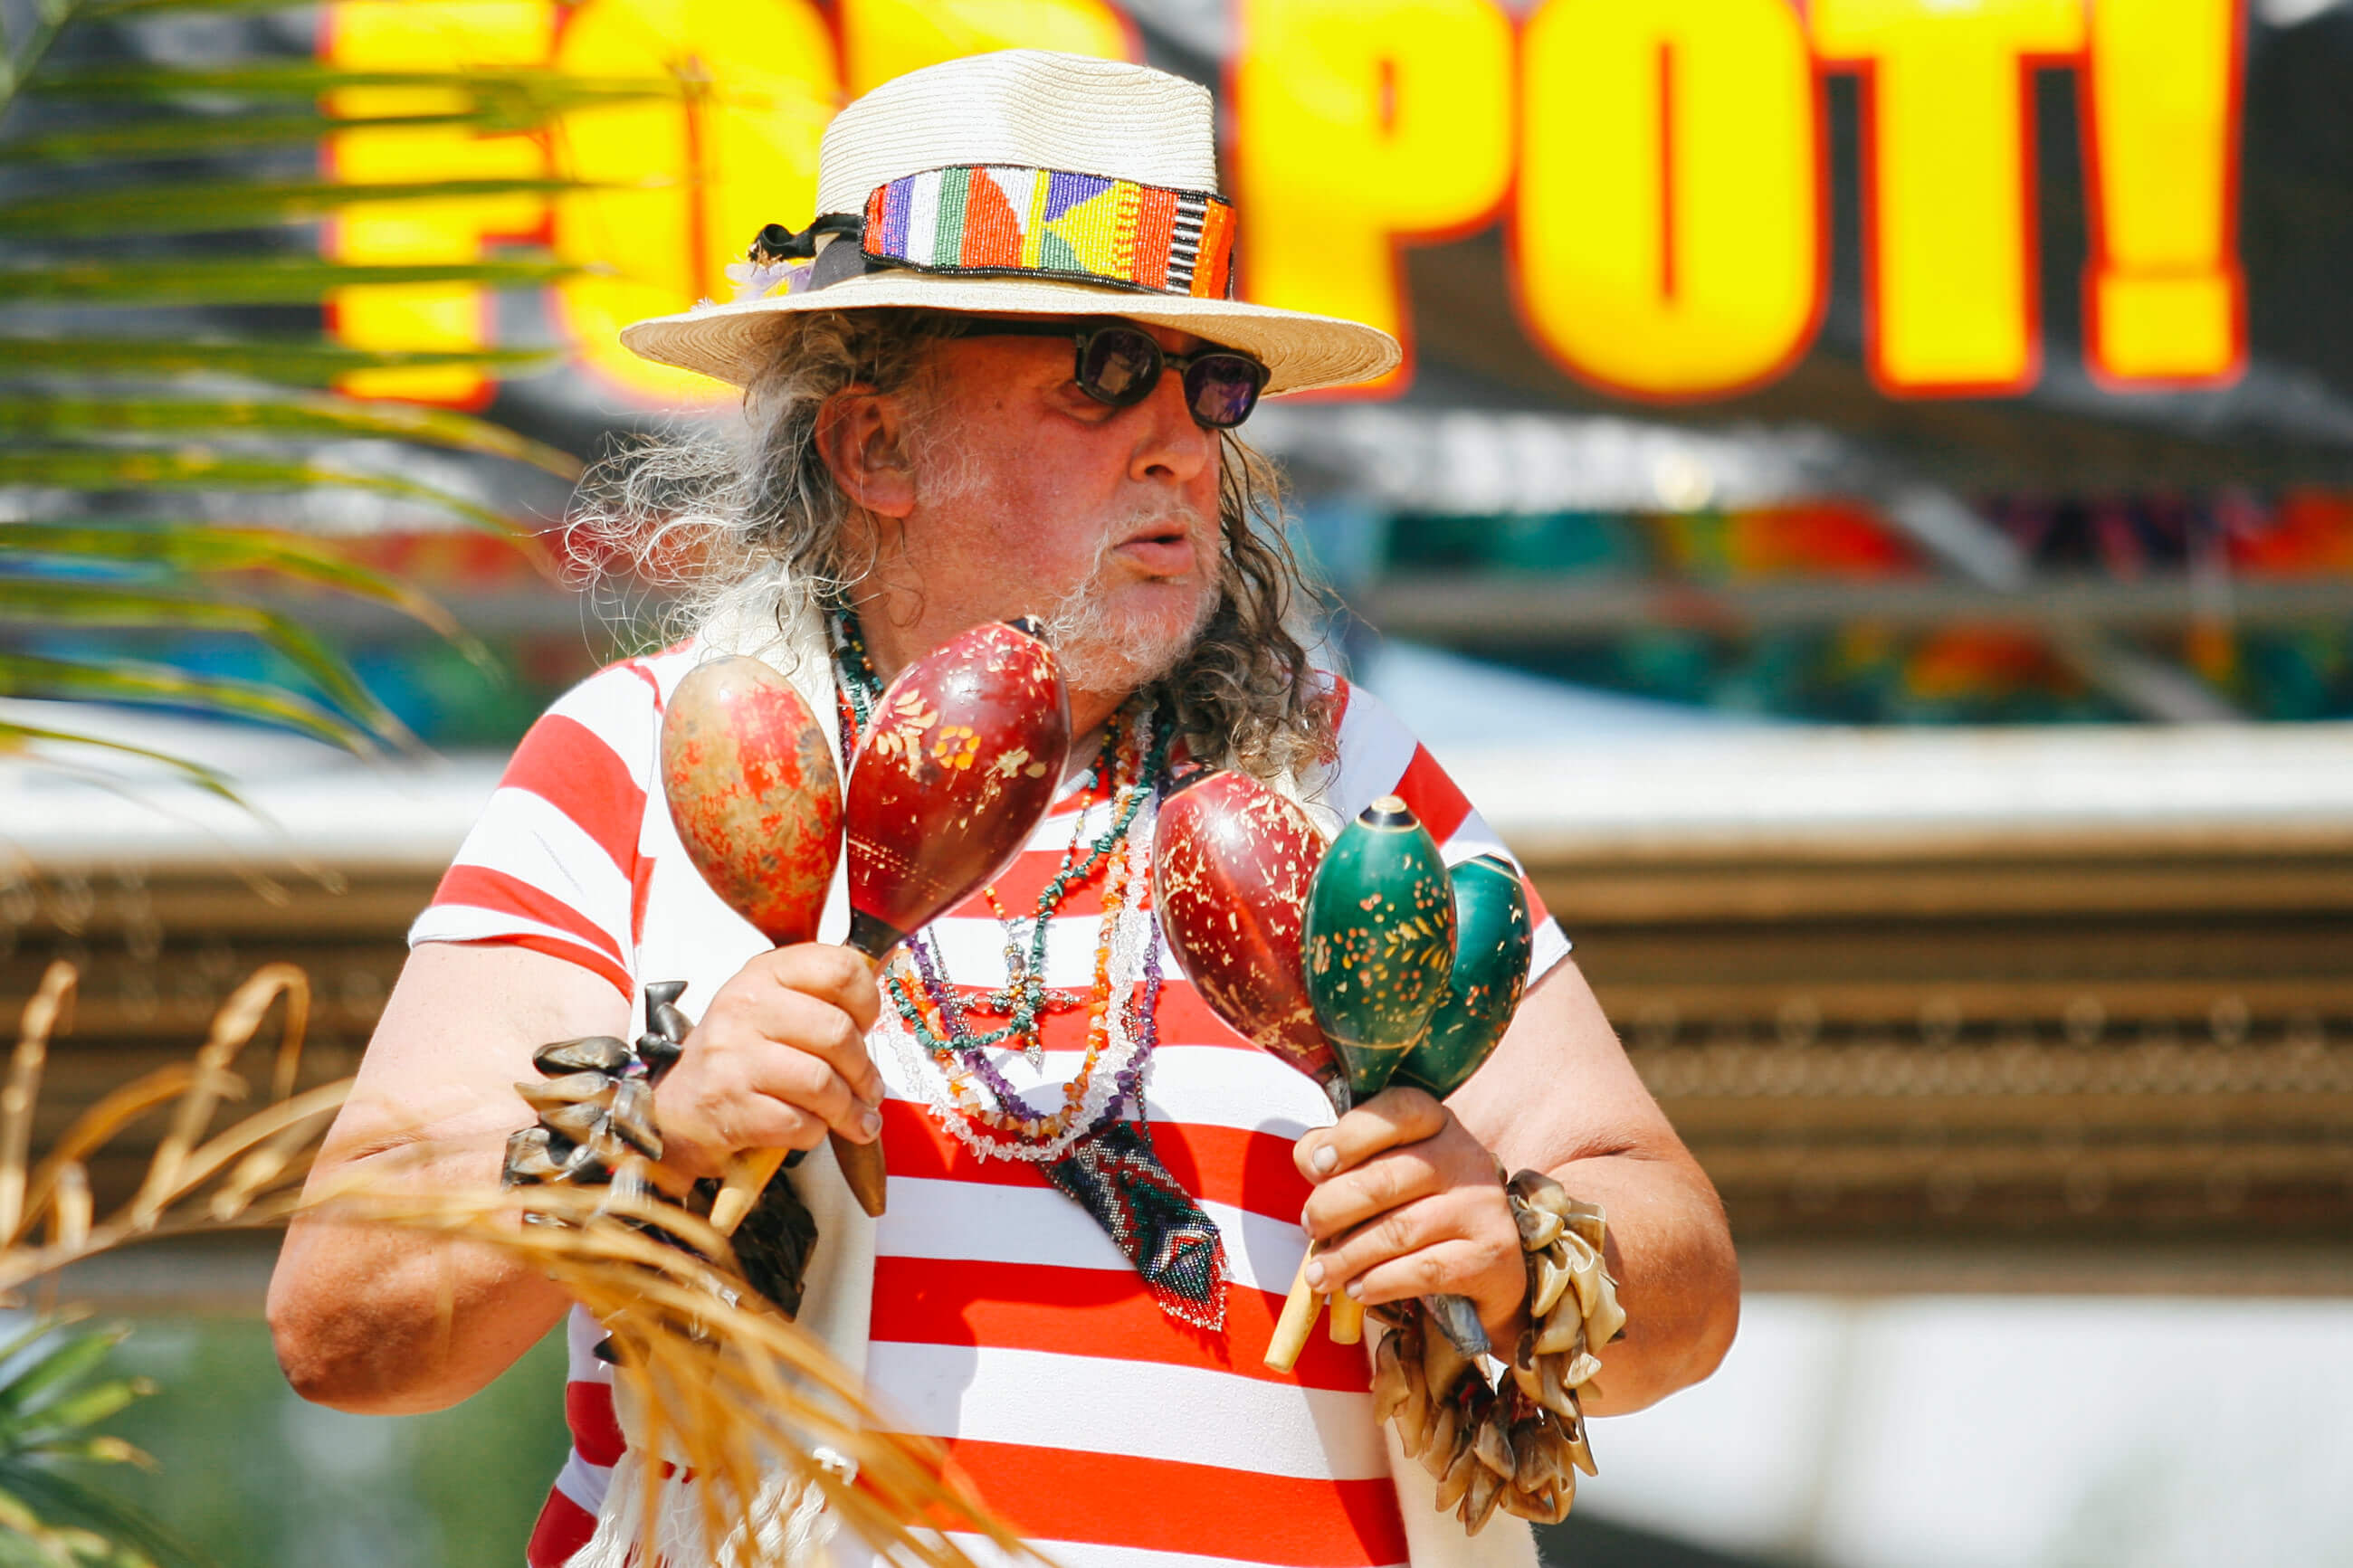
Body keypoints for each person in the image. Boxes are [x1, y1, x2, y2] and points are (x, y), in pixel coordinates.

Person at [267, 48, 1739, 1568]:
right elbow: (342, 1320)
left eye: (1207, 382)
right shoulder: (649, 762)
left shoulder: (1348, 782)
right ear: (877, 442)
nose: (1182, 440)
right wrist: (645, 1137)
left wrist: (1516, 1235)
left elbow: (1684, 1292)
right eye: (1102, 374)